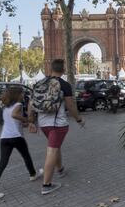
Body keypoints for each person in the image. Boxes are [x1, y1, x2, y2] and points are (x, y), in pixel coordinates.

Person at [28, 59, 85, 195]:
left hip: (43, 124)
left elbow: (31, 103)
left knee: (55, 146)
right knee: (52, 151)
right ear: (63, 70)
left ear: (51, 68)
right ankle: (46, 185)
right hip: (58, 124)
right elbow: (70, 106)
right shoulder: (64, 85)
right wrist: (79, 119)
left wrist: (31, 120)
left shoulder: (40, 83)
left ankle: (60, 169)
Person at [0, 86, 42, 199]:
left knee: (2, 163)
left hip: (4, 138)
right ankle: (33, 174)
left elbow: (14, 121)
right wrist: (28, 120)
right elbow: (15, 115)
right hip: (16, 137)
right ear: (17, 95)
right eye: (22, 93)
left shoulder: (5, 108)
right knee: (26, 156)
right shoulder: (18, 105)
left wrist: (25, 124)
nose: (23, 95)